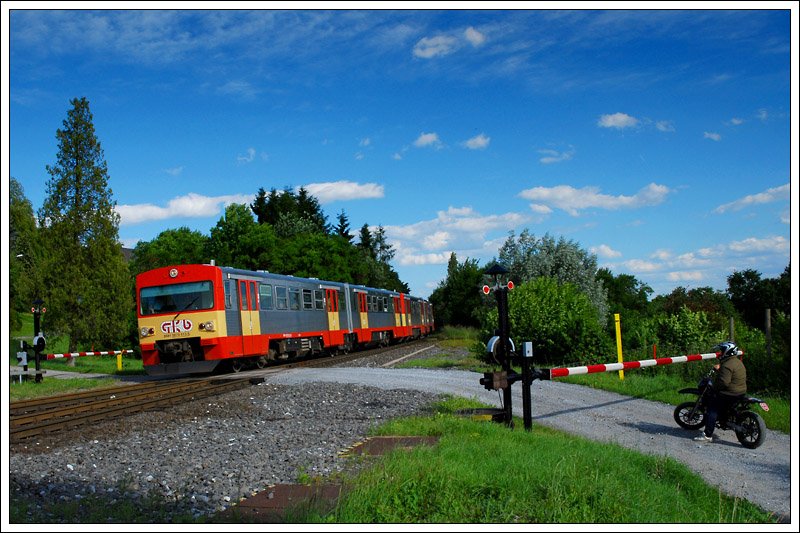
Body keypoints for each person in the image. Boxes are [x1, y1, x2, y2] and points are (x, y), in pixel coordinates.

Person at [694, 341, 747, 443]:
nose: (720, 353)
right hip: (740, 392)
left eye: (722, 351)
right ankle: (724, 418)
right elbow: (730, 375)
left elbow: (723, 383)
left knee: (712, 409)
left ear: (727, 352)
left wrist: (714, 387)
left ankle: (707, 435)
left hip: (730, 393)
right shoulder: (737, 362)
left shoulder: (727, 365)